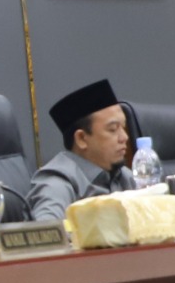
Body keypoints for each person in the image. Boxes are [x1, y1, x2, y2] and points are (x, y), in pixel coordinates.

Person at [29, 78, 135, 222]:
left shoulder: (126, 177)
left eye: (123, 127)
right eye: (112, 129)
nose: (124, 137)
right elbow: (46, 234)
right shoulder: (57, 182)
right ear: (81, 139)